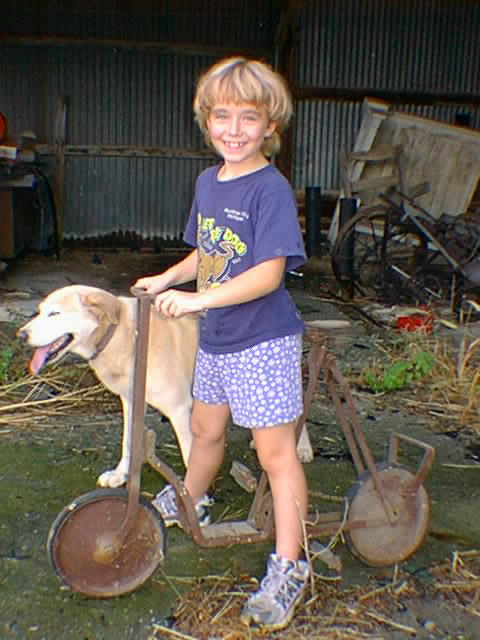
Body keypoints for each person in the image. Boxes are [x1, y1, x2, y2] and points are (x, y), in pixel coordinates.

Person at [134, 56, 309, 631]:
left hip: (262, 341)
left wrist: (197, 302)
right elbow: (206, 251)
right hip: (218, 340)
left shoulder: (270, 189)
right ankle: (190, 499)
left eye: (249, 118)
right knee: (206, 431)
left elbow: (269, 273)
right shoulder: (209, 182)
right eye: (222, 117)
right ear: (207, 121)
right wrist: (167, 279)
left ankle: (290, 565)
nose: (234, 130)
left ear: (269, 127)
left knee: (274, 455)